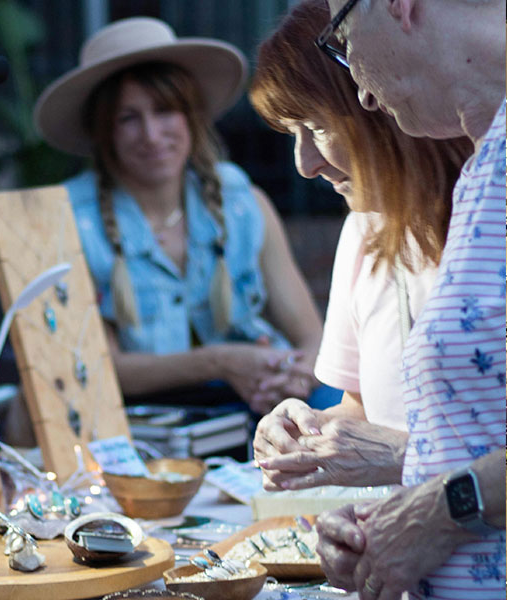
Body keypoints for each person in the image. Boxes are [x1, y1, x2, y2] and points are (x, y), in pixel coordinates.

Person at [33, 17, 331, 417]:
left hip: (257, 396)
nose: (152, 135)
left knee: (336, 398)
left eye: (165, 111)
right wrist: (221, 362)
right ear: (103, 132)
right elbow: (94, 369)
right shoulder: (67, 221)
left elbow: (313, 337)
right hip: (145, 418)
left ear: (192, 116)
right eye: (128, 118)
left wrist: (295, 377)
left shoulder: (242, 202)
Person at [310, 0, 506, 598]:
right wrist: (386, 526)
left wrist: (439, 513)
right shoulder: (484, 163)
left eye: (340, 36)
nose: (362, 95)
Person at [247, 0, 471, 491]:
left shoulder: (487, 214)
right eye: (292, 133)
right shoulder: (364, 232)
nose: (305, 163)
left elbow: (397, 444)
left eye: (318, 126)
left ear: (376, 97)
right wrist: (306, 430)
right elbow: (366, 409)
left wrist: (403, 458)